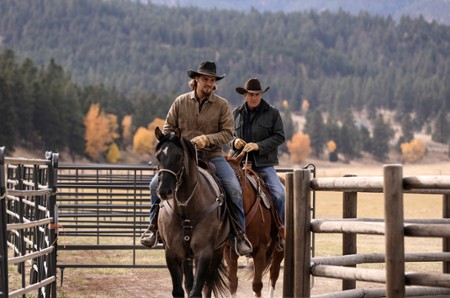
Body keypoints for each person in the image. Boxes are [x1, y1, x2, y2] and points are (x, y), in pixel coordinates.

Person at [140, 61, 253, 256]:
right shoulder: (180, 102)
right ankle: (153, 228)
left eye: (212, 80)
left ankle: (239, 234)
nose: (208, 83)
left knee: (234, 188)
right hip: (182, 158)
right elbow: (167, 129)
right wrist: (178, 144)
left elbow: (228, 133)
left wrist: (207, 140)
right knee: (153, 185)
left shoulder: (222, 105)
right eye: (205, 79)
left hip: (213, 155)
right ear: (196, 80)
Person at [231, 78, 286, 246]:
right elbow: (228, 135)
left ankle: (280, 230)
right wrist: (235, 142)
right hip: (238, 163)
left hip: (263, 164)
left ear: (261, 95)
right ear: (245, 95)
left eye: (257, 94)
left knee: (279, 193)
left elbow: (279, 136)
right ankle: (225, 232)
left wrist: (258, 146)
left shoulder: (272, 113)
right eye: (251, 94)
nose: (254, 98)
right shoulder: (236, 113)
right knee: (221, 191)